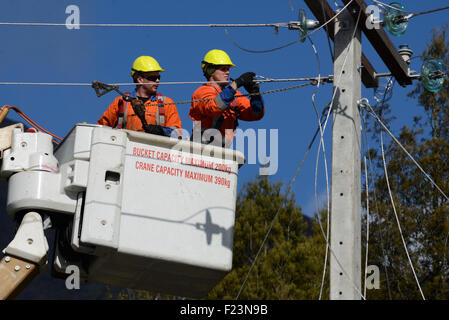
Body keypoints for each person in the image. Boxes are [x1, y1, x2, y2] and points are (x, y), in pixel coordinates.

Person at [189, 49, 265, 147]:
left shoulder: (234, 95)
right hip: (200, 149)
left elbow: (256, 114)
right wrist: (236, 84)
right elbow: (213, 107)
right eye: (223, 69)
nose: (227, 72)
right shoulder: (202, 92)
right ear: (210, 70)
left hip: (221, 151)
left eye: (228, 69)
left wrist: (255, 95)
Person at [97, 56, 182, 137]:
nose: (157, 80)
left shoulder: (166, 103)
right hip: (127, 150)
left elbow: (177, 133)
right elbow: (101, 128)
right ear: (140, 80)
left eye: (158, 77)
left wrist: (160, 130)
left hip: (153, 150)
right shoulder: (122, 101)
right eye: (153, 77)